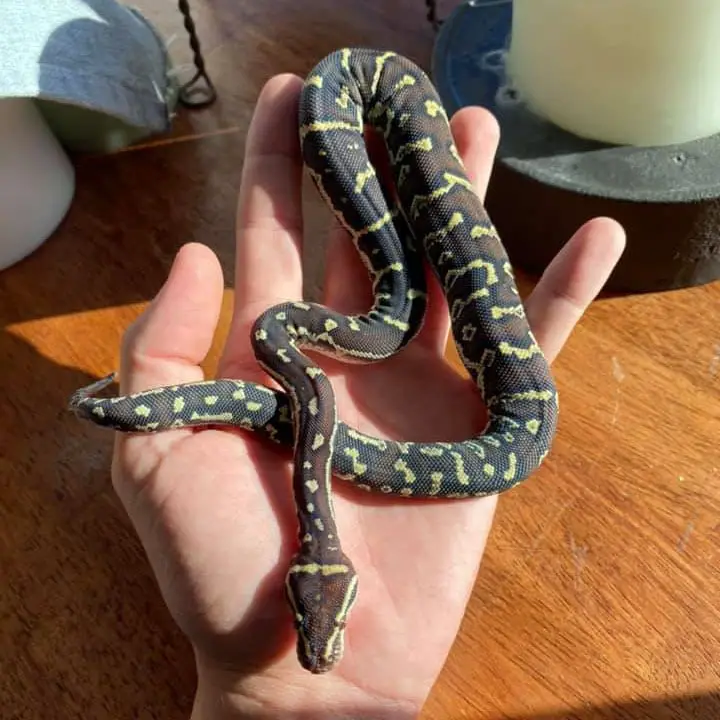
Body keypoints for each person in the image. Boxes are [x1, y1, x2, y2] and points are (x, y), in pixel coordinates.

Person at [110, 73, 626, 718]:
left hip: (373, 93)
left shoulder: (316, 337)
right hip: (386, 299)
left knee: (375, 328)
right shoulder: (301, 336)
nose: (320, 646)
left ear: (300, 586)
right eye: (320, 622)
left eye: (312, 620)